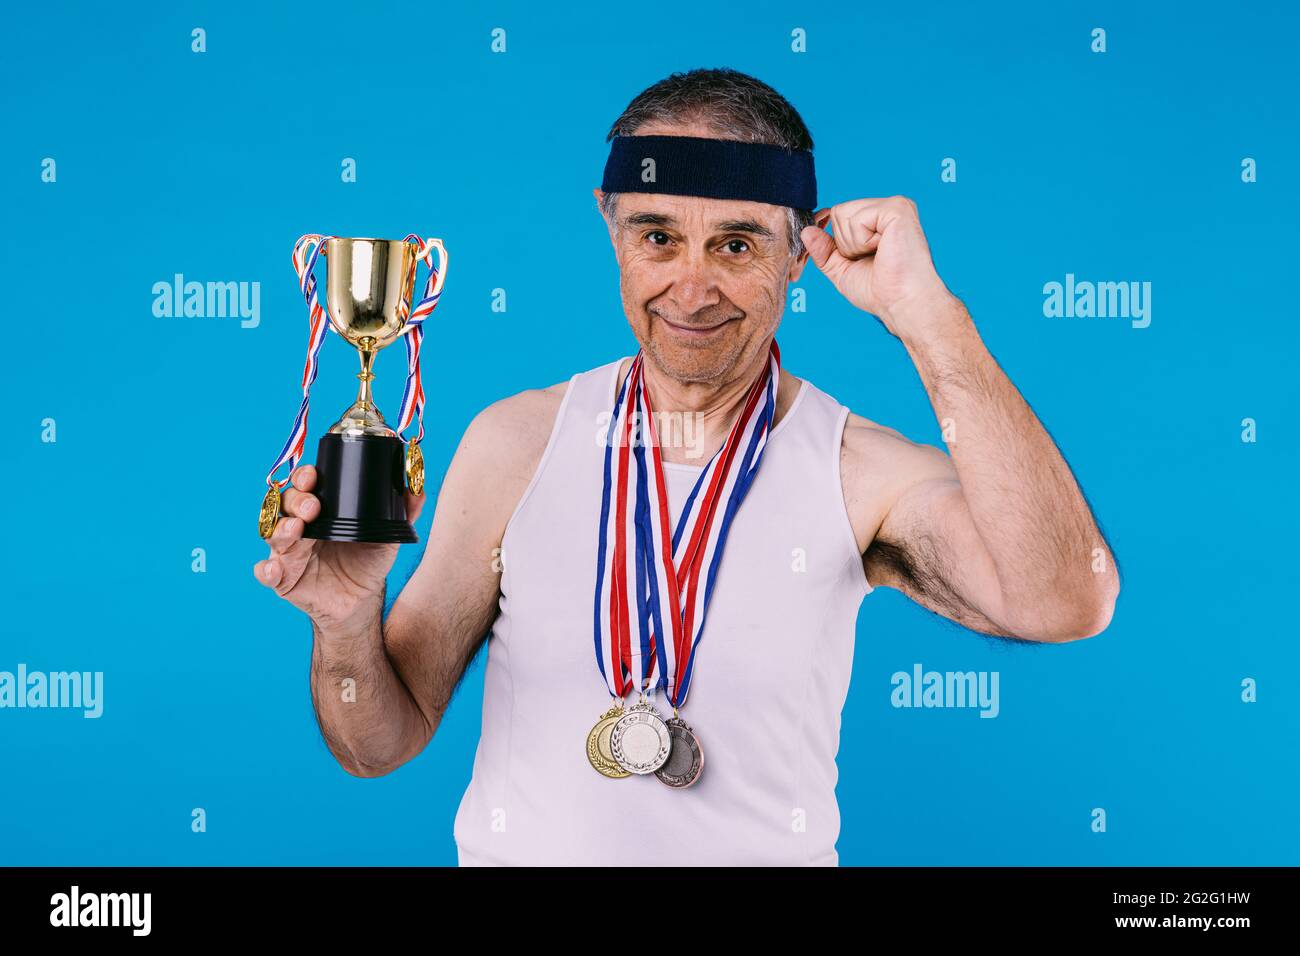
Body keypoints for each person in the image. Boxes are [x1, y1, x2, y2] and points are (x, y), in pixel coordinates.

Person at [253, 67, 1119, 866]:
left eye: (737, 246)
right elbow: (377, 745)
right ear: (610, 224)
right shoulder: (515, 443)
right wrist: (345, 620)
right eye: (658, 237)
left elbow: (1066, 600)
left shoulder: (859, 472)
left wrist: (928, 319)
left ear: (797, 252)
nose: (693, 288)